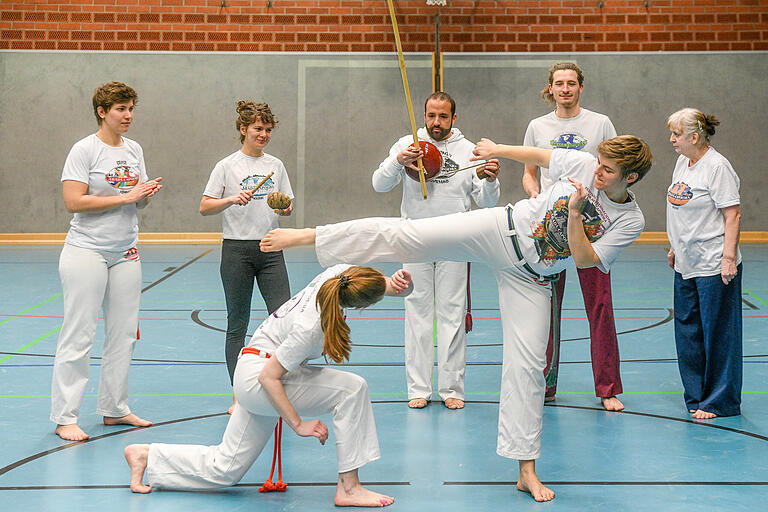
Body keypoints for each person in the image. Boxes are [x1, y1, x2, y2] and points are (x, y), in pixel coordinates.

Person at [260, 135, 653, 502]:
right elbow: (540, 156)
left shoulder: (630, 220)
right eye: (599, 164)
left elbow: (585, 260)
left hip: (533, 278)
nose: (597, 172)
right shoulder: (585, 164)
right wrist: (497, 147)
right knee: (411, 235)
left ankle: (526, 470)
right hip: (502, 228)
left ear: (629, 178)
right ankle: (311, 235)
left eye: (608, 171)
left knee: (529, 366)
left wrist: (572, 214)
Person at [125, 264, 412, 508]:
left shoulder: (338, 275)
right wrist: (298, 424)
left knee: (225, 469)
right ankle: (349, 487)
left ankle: (148, 456)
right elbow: (269, 377)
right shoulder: (312, 328)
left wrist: (394, 283)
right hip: (260, 378)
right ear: (359, 305)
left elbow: (371, 284)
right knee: (353, 389)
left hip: (251, 369)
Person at [372, 91, 500, 410]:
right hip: (414, 238)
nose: (436, 122)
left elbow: (486, 202)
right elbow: (378, 184)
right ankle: (418, 387)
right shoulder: (407, 144)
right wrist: (397, 161)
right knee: (417, 312)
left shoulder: (469, 151)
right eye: (431, 116)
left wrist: (490, 181)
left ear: (454, 119)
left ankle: (452, 388)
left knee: (452, 313)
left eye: (443, 116)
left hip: (456, 240)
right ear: (424, 115)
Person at [51, 81, 163, 441]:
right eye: (120, 109)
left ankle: (114, 408)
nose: (128, 115)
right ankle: (65, 416)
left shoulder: (134, 149)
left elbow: (135, 200)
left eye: (131, 108)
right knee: (80, 333)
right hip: (86, 250)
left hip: (125, 251)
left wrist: (143, 195)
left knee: (124, 333)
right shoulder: (84, 150)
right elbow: (73, 200)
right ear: (102, 112)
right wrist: (125, 196)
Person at [522, 62, 624, 411]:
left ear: (581, 87)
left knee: (599, 307)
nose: (565, 89)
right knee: (546, 310)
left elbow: (615, 170)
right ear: (549, 88)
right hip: (551, 230)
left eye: (571, 83)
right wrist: (535, 197)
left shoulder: (601, 124)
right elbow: (529, 173)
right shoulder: (537, 126)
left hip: (591, 228)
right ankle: (545, 384)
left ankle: (607, 388)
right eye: (558, 84)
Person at [200, 101, 294, 414]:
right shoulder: (226, 166)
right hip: (237, 251)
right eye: (258, 129)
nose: (264, 134)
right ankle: (239, 395)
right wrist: (230, 199)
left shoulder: (276, 165)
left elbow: (287, 206)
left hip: (270, 248)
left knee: (284, 320)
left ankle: (281, 387)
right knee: (236, 325)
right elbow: (205, 206)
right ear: (243, 130)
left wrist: (284, 206)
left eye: (268, 130)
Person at [666, 108, 742, 420]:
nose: (672, 140)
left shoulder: (717, 166)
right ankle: (696, 396)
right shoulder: (683, 161)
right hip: (686, 263)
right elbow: (679, 206)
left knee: (718, 334)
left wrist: (728, 258)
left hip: (713, 265)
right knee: (688, 332)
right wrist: (674, 245)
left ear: (694, 137)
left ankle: (720, 401)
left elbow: (732, 215)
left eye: (676, 134)